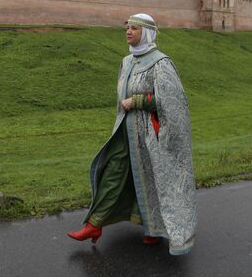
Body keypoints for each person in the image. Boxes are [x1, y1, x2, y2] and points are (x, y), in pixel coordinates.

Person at [67, 13, 197, 255]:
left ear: (146, 33)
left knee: (152, 180)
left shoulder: (160, 63)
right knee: (113, 172)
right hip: (125, 131)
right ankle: (93, 225)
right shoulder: (127, 62)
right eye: (127, 28)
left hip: (149, 136)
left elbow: (173, 102)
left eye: (134, 29)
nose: (128, 32)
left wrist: (139, 100)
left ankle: (154, 230)